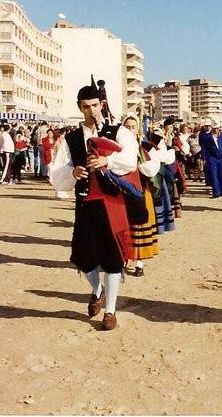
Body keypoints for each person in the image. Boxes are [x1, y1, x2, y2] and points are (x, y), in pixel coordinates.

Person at [49, 77, 139, 330]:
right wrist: (72, 174)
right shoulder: (72, 138)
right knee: (83, 257)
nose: (91, 110)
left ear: (102, 104)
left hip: (112, 203)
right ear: (80, 108)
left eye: (95, 105)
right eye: (86, 106)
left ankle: (110, 311)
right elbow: (57, 175)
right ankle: (97, 290)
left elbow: (131, 160)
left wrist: (107, 162)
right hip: (86, 203)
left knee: (112, 258)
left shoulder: (118, 131)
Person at [122, 116, 161, 277]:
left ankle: (139, 263)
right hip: (121, 193)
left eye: (133, 127)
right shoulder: (117, 147)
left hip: (140, 191)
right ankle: (123, 259)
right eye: (127, 127)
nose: (130, 129)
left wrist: (138, 165)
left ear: (137, 129)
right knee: (123, 227)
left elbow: (153, 170)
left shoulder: (146, 148)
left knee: (139, 226)